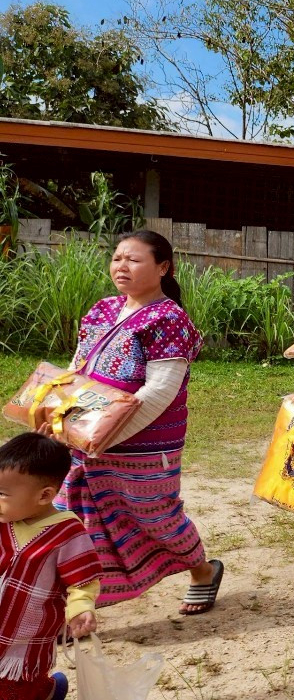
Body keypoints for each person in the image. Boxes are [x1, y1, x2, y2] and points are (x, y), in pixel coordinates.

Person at [56, 230, 221, 615]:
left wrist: (105, 433)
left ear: (163, 267)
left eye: (133, 259)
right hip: (85, 436)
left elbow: (159, 392)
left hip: (143, 444)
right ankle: (77, 605)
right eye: (117, 258)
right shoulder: (102, 310)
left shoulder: (169, 319)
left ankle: (203, 571)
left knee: (156, 518)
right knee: (75, 518)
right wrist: (64, 416)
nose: (121, 266)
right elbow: (76, 369)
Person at [0, 434, 101, 700]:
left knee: (15, 687)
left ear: (44, 495)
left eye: (2, 494)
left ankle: (46, 691)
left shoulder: (67, 532)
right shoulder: (5, 517)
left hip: (24, 637)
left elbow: (82, 579)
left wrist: (80, 608)